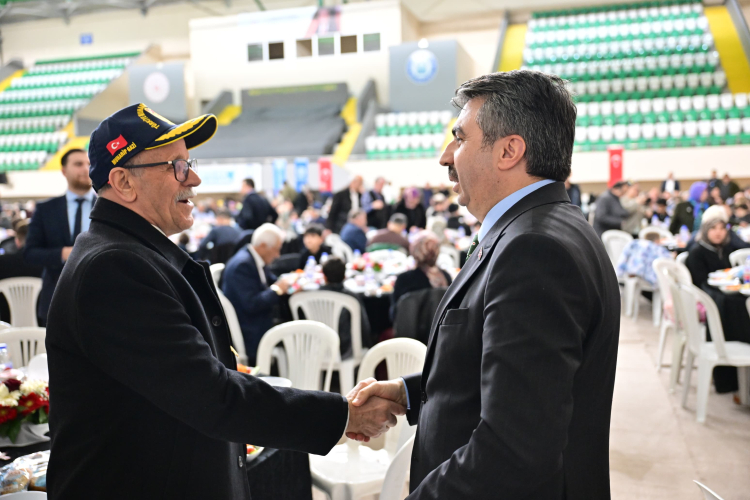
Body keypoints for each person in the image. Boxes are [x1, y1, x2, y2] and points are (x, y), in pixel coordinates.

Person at [46, 104, 404, 499]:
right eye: (176, 166)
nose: (194, 178)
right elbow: (210, 395)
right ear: (124, 182)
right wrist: (343, 415)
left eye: (189, 163)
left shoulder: (128, 253)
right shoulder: (113, 267)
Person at [347, 71, 620, 499]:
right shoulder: (539, 228)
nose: (446, 157)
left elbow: (514, 450)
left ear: (509, 150)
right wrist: (409, 393)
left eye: (459, 139)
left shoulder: (534, 251)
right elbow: (513, 377)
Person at [24, 148, 96, 326]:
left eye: (89, 164)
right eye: (78, 164)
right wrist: (62, 254)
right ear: (64, 171)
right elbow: (30, 253)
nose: (85, 169)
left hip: (99, 300)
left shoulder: (108, 206)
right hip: (55, 299)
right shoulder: (45, 209)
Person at [685, 205, 750, 394]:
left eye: (722, 228)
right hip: (707, 300)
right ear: (706, 229)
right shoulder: (697, 252)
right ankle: (730, 378)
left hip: (729, 294)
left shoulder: (728, 248)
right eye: (713, 228)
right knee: (734, 307)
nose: (718, 233)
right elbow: (698, 284)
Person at [222, 223, 292, 364]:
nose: (278, 255)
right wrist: (277, 289)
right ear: (263, 246)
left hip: (254, 318)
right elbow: (252, 304)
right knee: (295, 330)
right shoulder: (242, 265)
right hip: (249, 328)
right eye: (276, 250)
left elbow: (270, 280)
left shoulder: (253, 257)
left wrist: (288, 284)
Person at [390, 231, 451, 321]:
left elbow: (394, 315)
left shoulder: (404, 279)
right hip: (440, 328)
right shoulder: (446, 277)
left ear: (414, 251)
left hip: (410, 329)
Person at [318, 257, 372, 357]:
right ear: (344, 276)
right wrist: (369, 346)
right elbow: (364, 327)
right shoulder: (351, 298)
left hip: (320, 350)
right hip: (346, 350)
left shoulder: (314, 296)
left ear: (324, 276)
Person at [0, 220, 42, 324]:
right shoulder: (47, 266)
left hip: (6, 326)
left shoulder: (2, 262)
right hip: (41, 326)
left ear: (17, 241)